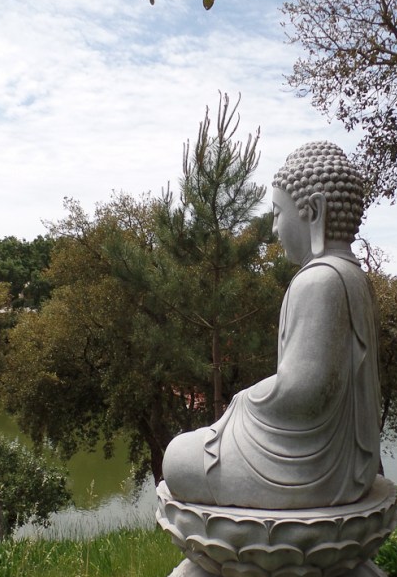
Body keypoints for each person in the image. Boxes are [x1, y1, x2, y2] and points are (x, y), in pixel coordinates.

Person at [162, 141, 382, 509]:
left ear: (314, 211)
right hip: (345, 464)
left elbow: (303, 391)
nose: (274, 227)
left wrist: (241, 400)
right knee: (189, 449)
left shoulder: (319, 280)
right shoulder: (355, 277)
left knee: (176, 458)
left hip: (312, 469)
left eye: (279, 213)